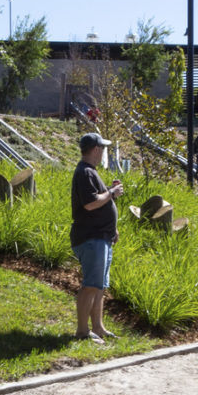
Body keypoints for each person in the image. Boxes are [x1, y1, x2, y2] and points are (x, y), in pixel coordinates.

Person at [70, 133, 122, 343]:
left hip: (102, 237)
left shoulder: (91, 173)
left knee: (99, 286)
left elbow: (100, 202)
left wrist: (112, 229)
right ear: (96, 149)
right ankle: (82, 331)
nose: (104, 153)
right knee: (91, 285)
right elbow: (91, 203)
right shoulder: (84, 173)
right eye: (102, 149)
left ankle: (98, 328)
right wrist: (111, 191)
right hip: (91, 238)